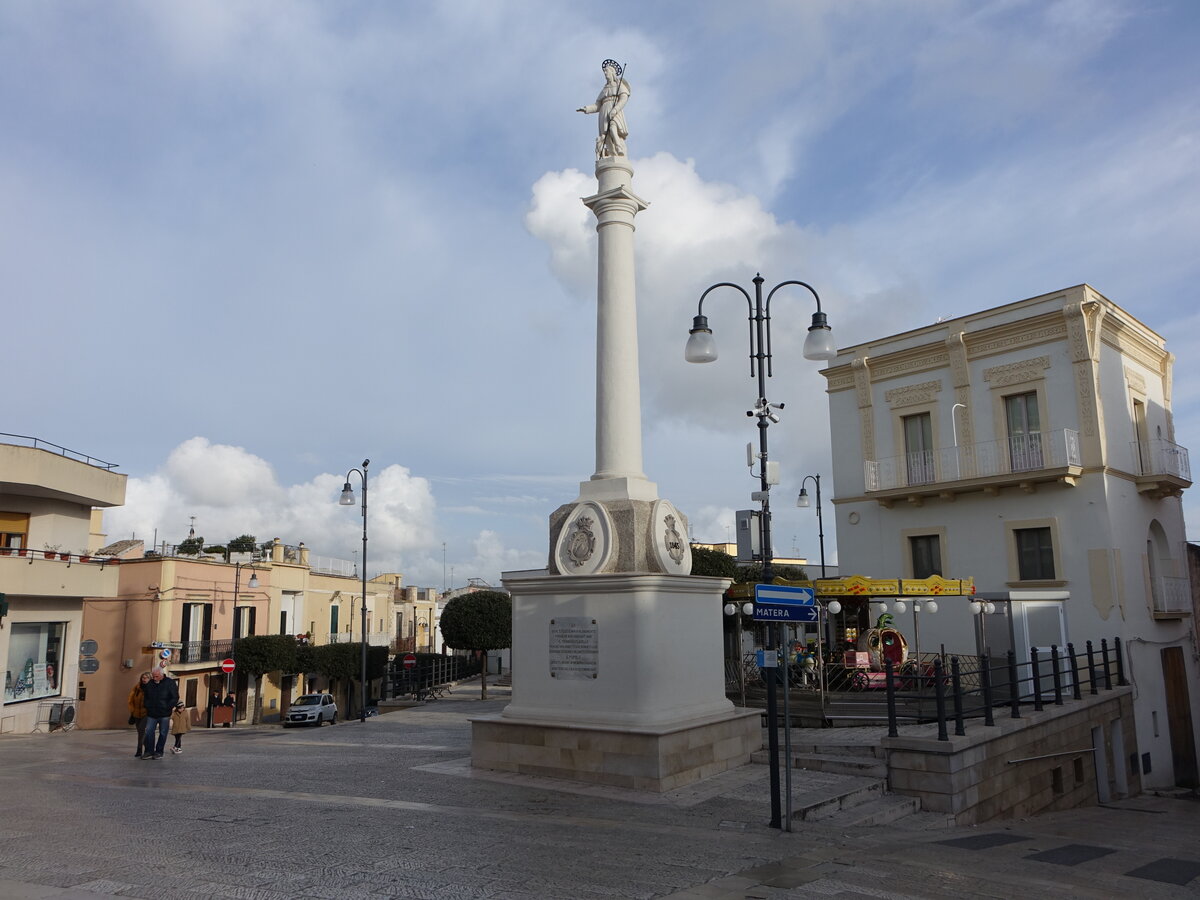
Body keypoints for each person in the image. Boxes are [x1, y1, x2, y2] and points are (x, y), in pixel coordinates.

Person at [577, 59, 630, 160]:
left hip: (614, 110)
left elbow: (624, 98)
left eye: (607, 71)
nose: (605, 73)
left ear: (612, 72)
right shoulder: (605, 89)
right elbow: (597, 105)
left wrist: (615, 109)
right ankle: (612, 152)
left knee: (613, 127)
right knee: (606, 136)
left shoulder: (619, 86)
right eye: (604, 72)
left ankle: (619, 147)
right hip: (604, 112)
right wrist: (586, 109)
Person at [140, 667, 178, 760]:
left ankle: (159, 752)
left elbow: (175, 697)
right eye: (153, 676)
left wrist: (167, 707)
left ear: (161, 675)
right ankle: (149, 751)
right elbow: (146, 696)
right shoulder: (150, 684)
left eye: (156, 676)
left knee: (163, 733)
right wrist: (147, 705)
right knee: (149, 732)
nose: (154, 678)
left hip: (164, 714)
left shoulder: (170, 683)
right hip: (152, 713)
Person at [127, 671, 150, 758]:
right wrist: (132, 710)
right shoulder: (137, 688)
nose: (144, 679)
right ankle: (146, 748)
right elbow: (130, 699)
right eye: (143, 678)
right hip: (136, 713)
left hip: (146, 713)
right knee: (140, 732)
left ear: (149, 679)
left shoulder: (151, 688)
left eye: (146, 678)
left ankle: (140, 750)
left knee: (141, 730)